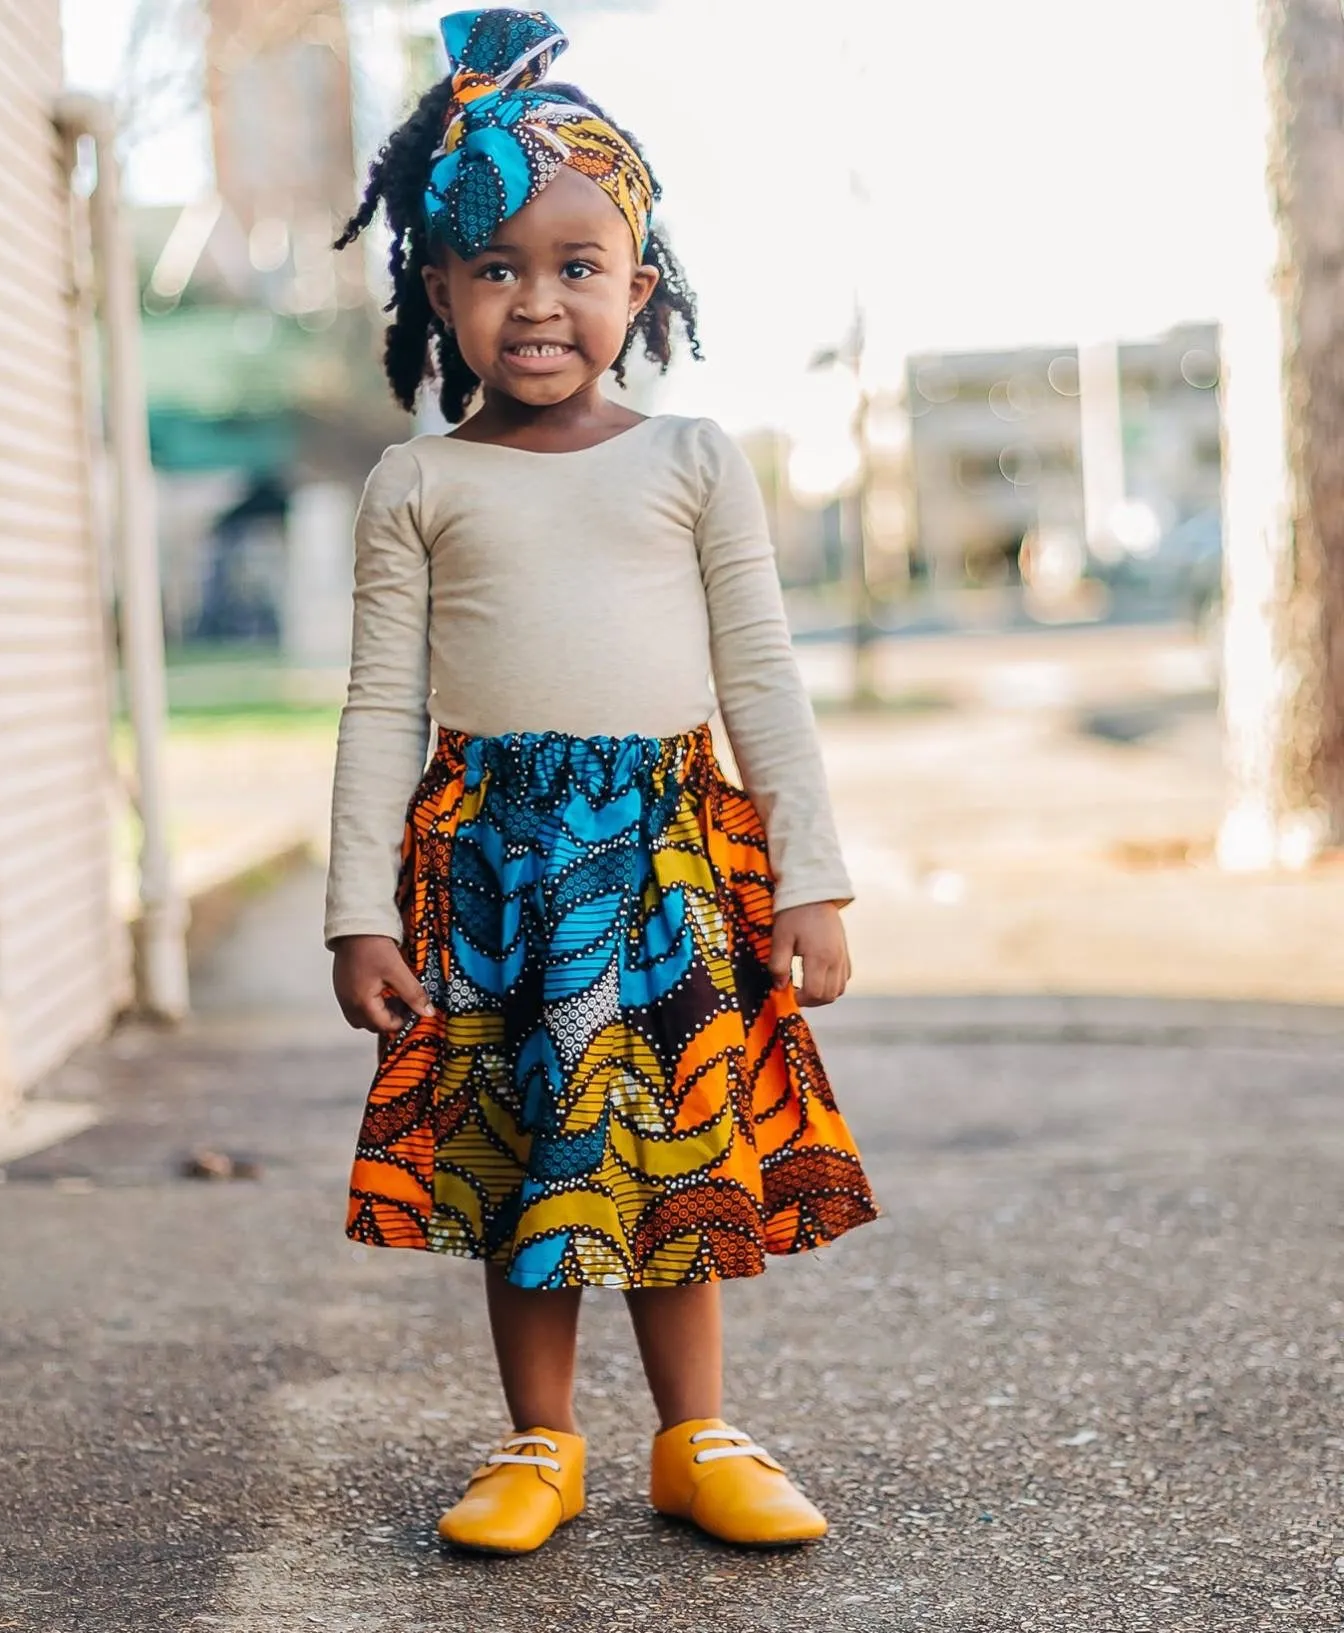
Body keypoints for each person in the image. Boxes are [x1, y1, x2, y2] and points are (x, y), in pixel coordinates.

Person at [323, 7, 879, 1557]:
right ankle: (541, 1444)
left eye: (578, 265)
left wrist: (813, 877)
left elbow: (761, 674)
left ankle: (697, 1438)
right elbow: (381, 706)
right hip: (490, 868)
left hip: (669, 861)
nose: (538, 301)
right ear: (437, 290)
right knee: (523, 1157)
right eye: (494, 267)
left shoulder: (693, 461)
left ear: (642, 283)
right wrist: (355, 912)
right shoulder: (419, 484)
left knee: (672, 1144)